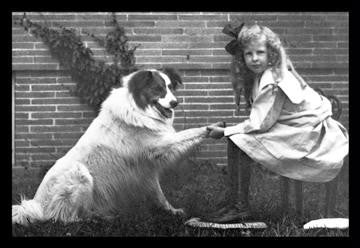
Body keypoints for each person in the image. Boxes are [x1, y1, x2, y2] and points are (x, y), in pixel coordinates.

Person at [205, 23, 349, 223]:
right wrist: (230, 131)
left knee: (236, 138)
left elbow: (261, 123)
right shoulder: (261, 75)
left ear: (271, 54)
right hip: (296, 128)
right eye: (248, 54)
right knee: (236, 138)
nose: (254, 59)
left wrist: (225, 131)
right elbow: (263, 118)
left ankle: (239, 206)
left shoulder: (274, 79)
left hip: (314, 136)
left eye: (260, 52)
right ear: (242, 57)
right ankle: (235, 202)